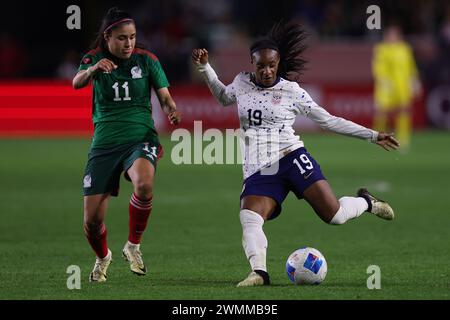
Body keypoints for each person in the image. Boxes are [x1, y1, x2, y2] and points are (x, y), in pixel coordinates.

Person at [192, 21, 399, 287]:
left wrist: (372, 135)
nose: (267, 71)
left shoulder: (291, 91)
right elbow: (222, 97)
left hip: (292, 157)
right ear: (251, 64)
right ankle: (260, 273)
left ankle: (367, 202)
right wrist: (206, 68)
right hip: (260, 167)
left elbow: (328, 121)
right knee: (249, 216)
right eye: (261, 66)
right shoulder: (241, 82)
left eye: (272, 65)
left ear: (278, 63)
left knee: (334, 216)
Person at [73, 7, 181, 282]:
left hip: (140, 137)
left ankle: (133, 245)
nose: (129, 43)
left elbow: (165, 96)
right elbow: (77, 82)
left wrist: (171, 108)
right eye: (122, 38)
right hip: (105, 144)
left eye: (132, 37)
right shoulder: (94, 59)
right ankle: (102, 257)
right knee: (92, 222)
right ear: (108, 36)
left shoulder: (147, 60)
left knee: (144, 184)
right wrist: (94, 70)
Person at [372, 24, 422, 151]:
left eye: (395, 34)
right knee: (381, 112)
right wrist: (382, 80)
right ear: (386, 36)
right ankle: (378, 137)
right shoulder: (381, 49)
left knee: (404, 111)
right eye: (390, 34)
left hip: (402, 85)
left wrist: (414, 80)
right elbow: (378, 67)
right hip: (387, 85)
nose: (393, 37)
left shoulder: (405, 48)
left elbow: (411, 66)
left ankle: (403, 139)